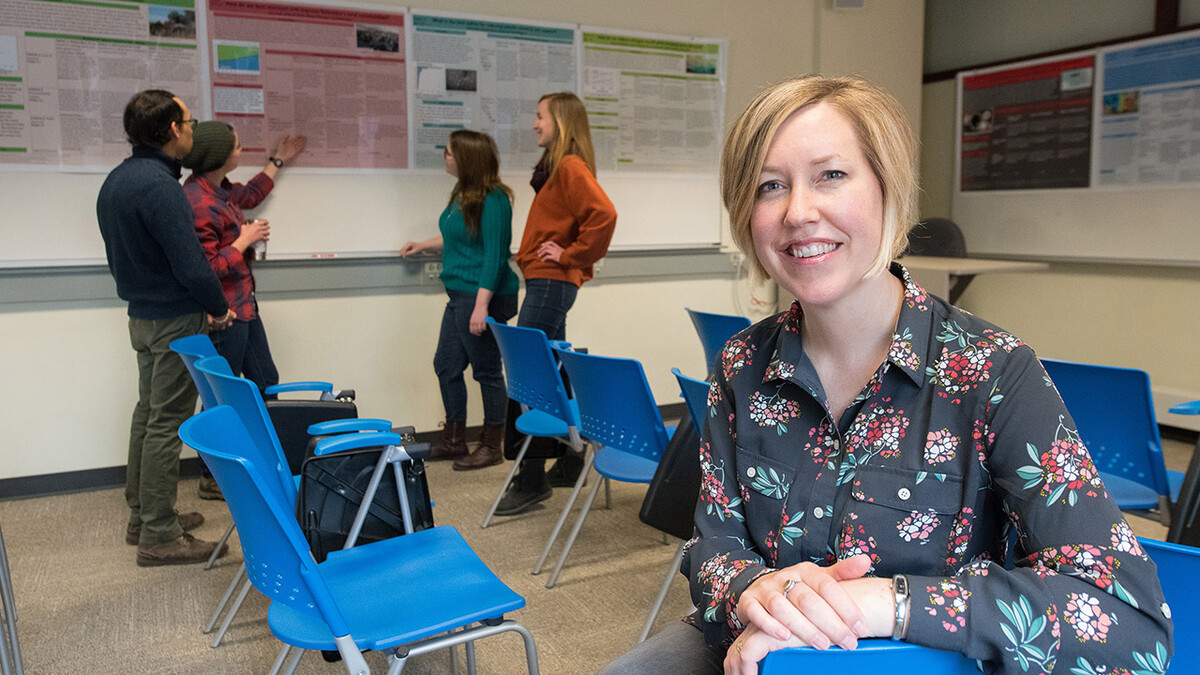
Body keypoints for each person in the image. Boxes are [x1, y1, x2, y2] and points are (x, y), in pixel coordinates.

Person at [601, 76, 1172, 674]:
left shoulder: (995, 372)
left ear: (886, 188)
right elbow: (713, 540)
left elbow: (1127, 620)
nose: (798, 211)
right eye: (771, 186)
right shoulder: (741, 363)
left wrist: (880, 602)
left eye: (831, 175)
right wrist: (752, 590)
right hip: (758, 648)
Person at [97, 90, 234, 567]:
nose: (194, 131)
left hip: (142, 316)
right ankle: (159, 533)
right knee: (166, 424)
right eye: (190, 123)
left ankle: (143, 515)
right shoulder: (160, 187)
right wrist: (217, 307)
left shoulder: (118, 180)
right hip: (175, 318)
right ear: (174, 130)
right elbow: (192, 265)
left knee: (147, 413)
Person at [495, 92, 618, 515]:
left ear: (560, 121)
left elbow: (604, 215)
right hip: (544, 282)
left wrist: (568, 256)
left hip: (550, 282)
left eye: (540, 115)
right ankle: (570, 458)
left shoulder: (568, 166)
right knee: (556, 370)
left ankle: (530, 478)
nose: (534, 123)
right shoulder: (558, 167)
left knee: (528, 375)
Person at [180, 122, 306, 499]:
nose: (241, 149)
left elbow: (250, 193)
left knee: (265, 381)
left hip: (244, 306)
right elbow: (206, 270)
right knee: (222, 394)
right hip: (224, 313)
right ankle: (211, 474)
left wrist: (277, 161)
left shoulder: (219, 191)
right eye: (236, 146)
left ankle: (270, 464)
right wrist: (245, 239)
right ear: (220, 155)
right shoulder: (195, 201)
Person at [400, 130, 519, 468]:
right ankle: (453, 440)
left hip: (484, 295)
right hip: (460, 293)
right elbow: (459, 237)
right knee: (447, 365)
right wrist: (423, 244)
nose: (445, 156)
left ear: (467, 159)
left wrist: (481, 307)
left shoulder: (495, 199)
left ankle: (491, 446)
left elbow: (494, 257)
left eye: (450, 152)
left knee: (486, 371)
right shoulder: (462, 193)